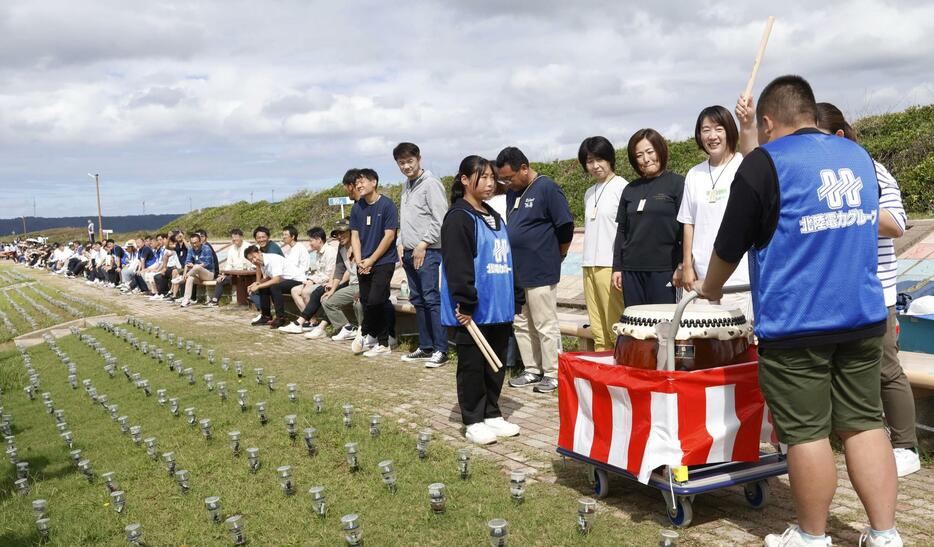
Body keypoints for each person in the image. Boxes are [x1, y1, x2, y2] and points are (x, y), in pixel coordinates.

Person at [698, 75, 899, 547]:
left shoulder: (765, 164)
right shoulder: (858, 156)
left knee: (807, 433)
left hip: (798, 324)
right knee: (864, 423)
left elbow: (729, 245)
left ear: (767, 122)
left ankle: (811, 537)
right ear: (809, 113)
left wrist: (710, 288)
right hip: (863, 318)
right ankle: (885, 534)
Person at [815, 102, 919, 478]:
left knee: (886, 369)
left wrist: (846, 217)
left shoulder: (873, 170)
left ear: (839, 136)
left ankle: (906, 446)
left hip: (876, 290)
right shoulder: (811, 174)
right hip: (831, 292)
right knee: (835, 369)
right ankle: (853, 438)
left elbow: (895, 223)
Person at [441, 155, 523, 445]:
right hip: (473, 309)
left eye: (492, 177)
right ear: (465, 180)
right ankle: (473, 419)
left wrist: (516, 295)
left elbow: (507, 258)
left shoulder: (493, 214)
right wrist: (465, 301)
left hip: (499, 306)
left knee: (496, 363)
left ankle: (492, 413)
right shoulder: (458, 218)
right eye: (483, 177)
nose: (490, 183)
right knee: (472, 365)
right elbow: (457, 264)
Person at [495, 146, 574, 394]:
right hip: (516, 270)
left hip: (540, 268)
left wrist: (558, 254)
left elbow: (565, 227)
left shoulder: (546, 188)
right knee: (521, 323)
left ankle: (552, 372)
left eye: (509, 177)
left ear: (524, 168)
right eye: (503, 179)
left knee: (544, 323)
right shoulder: (512, 193)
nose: (507, 183)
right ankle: (532, 368)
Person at [672, 106, 751, 317]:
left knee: (739, 342)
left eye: (718, 129)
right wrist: (687, 266)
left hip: (738, 278)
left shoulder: (743, 165)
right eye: (706, 130)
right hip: (702, 280)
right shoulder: (694, 174)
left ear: (729, 131)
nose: (712, 136)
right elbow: (688, 222)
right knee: (705, 344)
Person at [612, 129, 684, 307]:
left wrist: (682, 265)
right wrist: (617, 268)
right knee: (637, 328)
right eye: (639, 155)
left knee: (664, 328)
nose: (646, 159)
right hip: (631, 271)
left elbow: (686, 228)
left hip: (665, 270)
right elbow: (622, 231)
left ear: (660, 150)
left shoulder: (678, 184)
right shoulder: (630, 189)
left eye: (650, 152)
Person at [394, 142, 450, 367]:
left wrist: (422, 244)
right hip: (408, 251)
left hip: (427, 252)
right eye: (401, 163)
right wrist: (400, 242)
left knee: (431, 298)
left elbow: (440, 218)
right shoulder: (406, 185)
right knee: (417, 300)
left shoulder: (431, 184)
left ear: (419, 159)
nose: (406, 166)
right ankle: (426, 346)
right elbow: (405, 219)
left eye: (410, 161)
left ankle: (441, 349)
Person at [578, 136, 627, 351]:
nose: (595, 166)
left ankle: (621, 372)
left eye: (600, 159)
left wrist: (621, 266)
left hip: (610, 266)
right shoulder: (589, 193)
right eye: (589, 161)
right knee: (597, 329)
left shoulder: (622, 187)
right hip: (589, 264)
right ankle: (603, 376)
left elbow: (627, 231)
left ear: (610, 159)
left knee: (614, 326)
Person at [349, 168, 399, 358]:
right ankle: (383, 341)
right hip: (363, 262)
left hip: (383, 261)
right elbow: (355, 236)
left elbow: (389, 236)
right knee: (368, 301)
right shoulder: (357, 207)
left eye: (362, 181)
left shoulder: (387, 205)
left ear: (374, 182)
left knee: (376, 300)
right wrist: (362, 261)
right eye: (357, 183)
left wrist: (372, 259)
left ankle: (363, 333)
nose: (359, 185)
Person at [280, 226, 338, 334]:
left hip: (326, 282)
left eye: (311, 240)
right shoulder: (318, 252)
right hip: (317, 280)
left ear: (319, 240)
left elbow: (330, 274)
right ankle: (312, 321)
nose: (309, 243)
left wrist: (313, 281)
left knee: (305, 291)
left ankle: (305, 322)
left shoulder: (330, 252)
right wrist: (310, 279)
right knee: (294, 290)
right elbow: (318, 272)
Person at [320, 219, 365, 340]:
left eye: (342, 232)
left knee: (359, 303)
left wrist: (363, 290)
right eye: (336, 234)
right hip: (352, 286)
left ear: (351, 232)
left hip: (364, 284)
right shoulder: (341, 247)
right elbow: (339, 269)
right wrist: (332, 290)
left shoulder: (361, 244)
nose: (339, 237)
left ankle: (364, 332)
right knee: (327, 301)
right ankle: (348, 328)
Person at [244, 244, 306, 328]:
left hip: (298, 281)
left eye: (254, 257)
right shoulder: (262, 262)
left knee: (275, 286)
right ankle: (266, 316)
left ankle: (280, 318)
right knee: (264, 287)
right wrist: (257, 283)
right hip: (285, 281)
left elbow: (276, 280)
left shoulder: (272, 259)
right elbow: (269, 277)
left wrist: (258, 286)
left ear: (259, 252)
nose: (254, 260)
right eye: (251, 260)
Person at [207, 229, 254, 307]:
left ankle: (246, 302)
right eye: (233, 238)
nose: (234, 239)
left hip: (248, 275)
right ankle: (215, 301)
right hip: (234, 275)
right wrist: (224, 274)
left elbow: (254, 262)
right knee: (220, 280)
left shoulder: (249, 247)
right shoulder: (232, 249)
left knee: (245, 280)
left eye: (236, 237)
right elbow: (229, 264)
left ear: (241, 237)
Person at [174, 232, 217, 307]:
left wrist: (193, 266)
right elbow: (187, 263)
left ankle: (182, 278)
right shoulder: (191, 249)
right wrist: (184, 275)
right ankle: (186, 300)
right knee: (190, 278)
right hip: (197, 274)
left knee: (197, 267)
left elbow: (207, 263)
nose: (194, 245)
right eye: (192, 243)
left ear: (200, 241)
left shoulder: (206, 248)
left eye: (196, 243)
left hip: (209, 274)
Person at [281, 225, 311, 307]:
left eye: (285, 235)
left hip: (300, 279)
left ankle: (281, 315)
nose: (283, 237)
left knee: (275, 287)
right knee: (273, 285)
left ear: (293, 236)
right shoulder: (289, 250)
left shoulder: (299, 248)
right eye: (283, 235)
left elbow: (291, 268)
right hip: (292, 278)